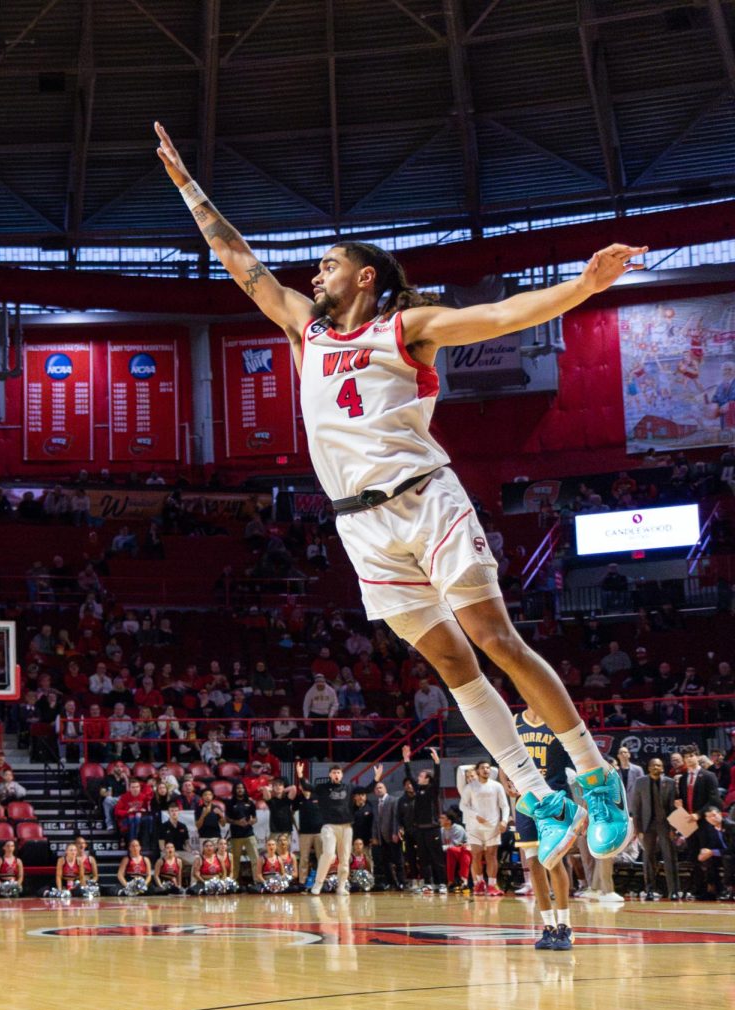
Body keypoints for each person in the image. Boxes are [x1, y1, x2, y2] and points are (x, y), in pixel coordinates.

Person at [155, 121, 642, 869]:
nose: (314, 276)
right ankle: (536, 796)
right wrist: (189, 187)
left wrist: (582, 285)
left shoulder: (407, 326)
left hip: (425, 498)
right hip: (361, 528)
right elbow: (241, 263)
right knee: (452, 665)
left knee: (495, 639)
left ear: (366, 278)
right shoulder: (304, 333)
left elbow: (502, 316)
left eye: (328, 266)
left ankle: (594, 775)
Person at [512, 706, 575, 950]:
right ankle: (547, 926)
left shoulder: (557, 719)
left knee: (554, 861)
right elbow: (502, 757)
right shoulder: (515, 722)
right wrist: (508, 781)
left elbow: (578, 760)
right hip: (527, 803)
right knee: (534, 864)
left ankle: (565, 926)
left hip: (554, 799)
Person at [631, 758, 681, 900]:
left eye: (659, 765)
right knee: (648, 857)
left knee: (670, 856)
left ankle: (674, 890)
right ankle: (650, 890)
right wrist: (637, 828)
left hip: (665, 823)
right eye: (653, 765)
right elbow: (636, 807)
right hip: (647, 825)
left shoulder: (670, 783)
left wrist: (674, 828)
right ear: (648, 767)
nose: (656, 767)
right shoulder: (640, 782)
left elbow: (673, 807)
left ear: (662, 768)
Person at [457, 760, 509, 896]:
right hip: (474, 827)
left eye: (488, 767)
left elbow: (505, 806)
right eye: (483, 768)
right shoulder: (470, 787)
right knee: (476, 855)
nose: (486, 770)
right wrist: (475, 815)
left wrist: (504, 821)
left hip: (493, 826)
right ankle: (479, 883)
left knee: (491, 855)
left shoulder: (497, 786)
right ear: (478, 770)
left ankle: (492, 885)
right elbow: (463, 806)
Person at [402, 746, 446, 892]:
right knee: (424, 859)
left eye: (421, 776)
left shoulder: (433, 790)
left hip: (432, 829)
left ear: (428, 779)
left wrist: (437, 763)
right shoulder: (418, 789)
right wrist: (406, 760)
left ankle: (442, 884)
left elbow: (438, 777)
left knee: (437, 858)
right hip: (419, 830)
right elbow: (409, 775)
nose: (418, 778)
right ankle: (428, 883)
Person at [309, 763, 354, 895]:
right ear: (329, 774)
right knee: (328, 854)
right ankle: (318, 884)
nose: (336, 775)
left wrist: (376, 779)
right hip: (329, 826)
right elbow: (308, 787)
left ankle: (341, 886)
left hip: (346, 827)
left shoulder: (348, 787)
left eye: (338, 772)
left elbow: (367, 789)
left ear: (342, 775)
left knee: (345, 859)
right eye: (334, 772)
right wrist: (300, 776)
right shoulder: (323, 788)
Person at [225, 783, 262, 888]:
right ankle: (233, 882)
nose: (240, 790)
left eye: (242, 788)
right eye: (238, 788)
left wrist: (251, 822)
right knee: (235, 860)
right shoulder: (230, 803)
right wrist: (237, 822)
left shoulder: (250, 802)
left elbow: (255, 818)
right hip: (236, 835)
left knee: (255, 858)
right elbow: (227, 819)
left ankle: (257, 881)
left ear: (245, 790)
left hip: (249, 834)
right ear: (235, 790)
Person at [439, 811, 472, 891]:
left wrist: (440, 848)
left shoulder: (458, 829)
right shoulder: (442, 830)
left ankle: (463, 880)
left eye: (442, 818)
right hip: (452, 851)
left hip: (465, 850)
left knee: (456, 850)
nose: (439, 820)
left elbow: (455, 844)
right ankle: (449, 881)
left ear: (449, 821)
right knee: (449, 851)